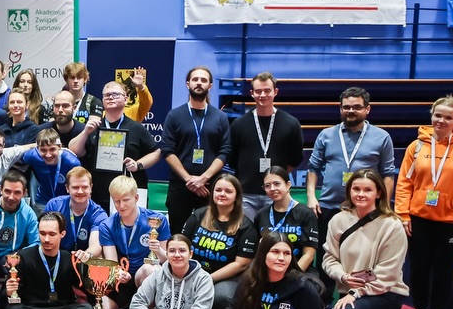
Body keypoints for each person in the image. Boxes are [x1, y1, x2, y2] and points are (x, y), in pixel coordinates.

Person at [323, 169, 419, 309]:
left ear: (378, 193)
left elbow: (387, 273)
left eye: (368, 189)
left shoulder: (392, 225)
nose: (361, 194)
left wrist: (355, 293)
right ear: (349, 191)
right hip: (351, 292)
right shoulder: (338, 220)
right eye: (356, 189)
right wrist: (342, 276)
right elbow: (329, 258)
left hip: (386, 293)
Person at [306, 87, 398, 297]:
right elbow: (313, 168)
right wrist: (311, 196)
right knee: (326, 256)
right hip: (329, 206)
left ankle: (354, 298)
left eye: (357, 107)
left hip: (363, 210)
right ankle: (323, 300)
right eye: (346, 107)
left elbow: (387, 174)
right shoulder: (326, 135)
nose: (351, 111)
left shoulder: (382, 137)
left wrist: (382, 205)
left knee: (359, 256)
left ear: (367, 109)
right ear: (340, 109)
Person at [395, 95, 453, 309]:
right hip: (419, 218)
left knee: (443, 271)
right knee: (419, 268)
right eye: (438, 115)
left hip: (451, 221)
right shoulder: (417, 146)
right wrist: (403, 214)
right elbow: (404, 183)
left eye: (448, 117)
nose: (441, 120)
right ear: (431, 116)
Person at [4, 212, 94, 309]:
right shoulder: (22, 257)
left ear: (62, 234)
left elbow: (88, 289)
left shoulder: (70, 258)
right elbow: (9, 295)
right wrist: (8, 291)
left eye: (52, 234)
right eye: (42, 233)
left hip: (61, 308)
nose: (46, 239)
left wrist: (87, 268)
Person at [160, 67, 233, 233]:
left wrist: (203, 178)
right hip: (180, 187)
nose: (199, 83)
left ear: (210, 86)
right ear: (188, 84)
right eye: (195, 79)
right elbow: (167, 150)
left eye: (203, 80)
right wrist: (189, 180)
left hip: (209, 187)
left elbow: (225, 151)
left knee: (210, 235)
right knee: (178, 234)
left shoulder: (220, 117)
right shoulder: (174, 115)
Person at [69, 81, 160, 211]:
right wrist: (85, 132)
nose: (110, 98)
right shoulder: (93, 127)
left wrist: (138, 164)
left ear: (126, 99)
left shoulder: (136, 128)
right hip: (97, 195)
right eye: (106, 95)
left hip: (127, 195)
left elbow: (156, 152)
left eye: (115, 95)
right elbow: (74, 151)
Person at [181, 174, 257, 309]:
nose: (222, 194)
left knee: (220, 296)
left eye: (228, 191)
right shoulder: (199, 215)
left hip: (227, 278)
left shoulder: (246, 226)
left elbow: (241, 264)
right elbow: (183, 245)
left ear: (236, 196)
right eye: (218, 190)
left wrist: (208, 278)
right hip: (194, 272)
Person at [228, 73, 304, 219]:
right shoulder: (239, 124)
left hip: (276, 194)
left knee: (273, 233)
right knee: (246, 233)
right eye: (258, 91)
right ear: (252, 93)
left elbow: (295, 158)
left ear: (275, 92)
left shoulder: (291, 123)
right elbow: (232, 159)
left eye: (267, 91)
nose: (263, 95)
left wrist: (276, 177)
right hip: (246, 194)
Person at [97, 175, 170, 309]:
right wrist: (118, 272)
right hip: (122, 279)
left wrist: (158, 250)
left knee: (151, 269)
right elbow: (112, 262)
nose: (121, 205)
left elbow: (166, 261)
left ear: (136, 198)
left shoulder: (157, 220)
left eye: (125, 200)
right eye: (116, 201)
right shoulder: (106, 225)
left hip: (145, 277)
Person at [254, 166, 322, 297]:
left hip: (300, 270)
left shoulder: (306, 214)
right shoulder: (261, 215)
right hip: (268, 271)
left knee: (313, 289)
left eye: (277, 184)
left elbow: (308, 255)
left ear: (288, 185)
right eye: (267, 185)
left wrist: (288, 278)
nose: (272, 188)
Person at [0, 171, 39, 270]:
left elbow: (36, 242)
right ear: (1, 190)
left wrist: (19, 256)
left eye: (17, 192)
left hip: (16, 259)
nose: (11, 197)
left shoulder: (28, 213)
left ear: (24, 193)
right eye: (7, 191)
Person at [15, 128, 82, 211]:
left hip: (65, 204)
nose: (48, 155)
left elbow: (79, 187)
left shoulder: (71, 162)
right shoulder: (33, 156)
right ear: (37, 148)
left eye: (52, 149)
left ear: (60, 147)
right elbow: (14, 159)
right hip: (42, 202)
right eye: (43, 150)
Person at [44, 166, 106, 255]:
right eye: (75, 187)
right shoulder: (54, 205)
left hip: (85, 258)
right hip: (56, 255)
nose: (80, 191)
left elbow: (96, 244)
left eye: (84, 187)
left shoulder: (98, 214)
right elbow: (46, 236)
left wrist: (86, 255)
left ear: (91, 188)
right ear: (67, 188)